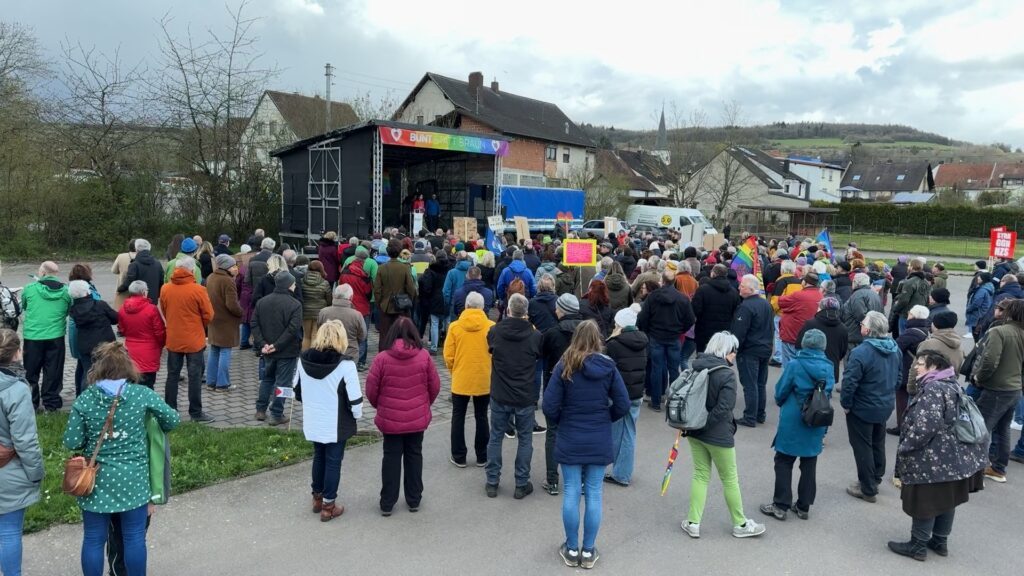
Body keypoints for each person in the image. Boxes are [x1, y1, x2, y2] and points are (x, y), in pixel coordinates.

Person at [62, 342, 180, 576]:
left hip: (96, 481)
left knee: (94, 539)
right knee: (135, 539)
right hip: (133, 479)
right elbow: (173, 420)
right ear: (128, 366)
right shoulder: (141, 394)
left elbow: (71, 441)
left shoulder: (86, 399)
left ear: (98, 368)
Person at [543, 320, 629, 569]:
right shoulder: (609, 367)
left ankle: (571, 548)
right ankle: (588, 551)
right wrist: (605, 418)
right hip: (598, 436)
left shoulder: (565, 365)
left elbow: (549, 406)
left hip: (570, 435)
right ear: (598, 340)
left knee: (571, 491)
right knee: (594, 493)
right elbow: (622, 405)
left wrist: (563, 420)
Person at [888, 351, 988, 561]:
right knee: (946, 499)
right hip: (954, 458)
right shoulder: (952, 385)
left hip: (934, 459)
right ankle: (940, 541)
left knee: (927, 500)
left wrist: (906, 445)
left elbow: (926, 426)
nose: (916, 367)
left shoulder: (933, 389)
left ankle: (917, 545)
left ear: (934, 367)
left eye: (921, 364)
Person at [680, 331, 766, 540]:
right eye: (734, 351)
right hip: (718, 435)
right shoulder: (726, 374)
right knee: (730, 479)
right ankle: (740, 523)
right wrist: (706, 424)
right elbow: (725, 408)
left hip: (693, 431)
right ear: (726, 351)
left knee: (700, 474)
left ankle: (693, 522)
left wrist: (697, 426)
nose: (735, 355)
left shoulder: (695, 367)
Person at [366, 317, 440, 516]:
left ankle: (387, 502)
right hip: (417, 417)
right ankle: (414, 499)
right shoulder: (424, 356)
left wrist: (381, 407)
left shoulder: (381, 358)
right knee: (414, 455)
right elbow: (435, 387)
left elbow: (371, 390)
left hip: (390, 419)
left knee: (390, 457)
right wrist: (423, 405)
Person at [759, 329, 835, 521]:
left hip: (794, 418)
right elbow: (829, 390)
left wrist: (781, 400)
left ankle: (780, 505)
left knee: (784, 461)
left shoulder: (795, 365)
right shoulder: (829, 366)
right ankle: (803, 506)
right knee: (809, 462)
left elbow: (781, 391)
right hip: (817, 417)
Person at [294, 321, 362, 522]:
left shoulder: (303, 360)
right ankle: (328, 506)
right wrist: (356, 416)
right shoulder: (346, 366)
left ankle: (317, 497)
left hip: (314, 420)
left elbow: (297, 392)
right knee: (333, 462)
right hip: (336, 423)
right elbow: (355, 400)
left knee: (319, 456)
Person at [485, 294, 543, 498]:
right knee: (525, 438)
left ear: (508, 310)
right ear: (526, 313)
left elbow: (490, 349)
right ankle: (521, 482)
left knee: (496, 436)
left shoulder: (494, 331)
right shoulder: (535, 336)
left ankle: (492, 481)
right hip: (524, 395)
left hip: (500, 393)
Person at [842, 310, 900, 503]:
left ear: (868, 330)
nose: (861, 327)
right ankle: (875, 478)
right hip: (884, 404)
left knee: (862, 447)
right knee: (877, 442)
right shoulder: (895, 349)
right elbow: (899, 377)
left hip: (863, 407)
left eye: (863, 324)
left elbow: (850, 382)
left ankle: (867, 488)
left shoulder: (861, 352)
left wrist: (846, 404)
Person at [0, 329, 43, 576]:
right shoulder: (16, 389)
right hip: (10, 471)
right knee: (8, 532)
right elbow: (25, 440)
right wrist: (35, 473)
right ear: (17, 353)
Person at [970, 298, 1024, 483]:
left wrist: (979, 378)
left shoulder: (999, 332)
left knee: (981, 428)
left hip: (996, 388)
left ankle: (975, 470)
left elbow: (989, 360)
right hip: (1014, 388)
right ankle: (998, 468)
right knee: (1002, 429)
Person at [160, 257, 215, 423]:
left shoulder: (165, 288)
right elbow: (209, 315)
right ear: (192, 271)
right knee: (195, 376)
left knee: (172, 375)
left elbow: (164, 309)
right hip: (194, 339)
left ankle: (170, 409)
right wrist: (198, 325)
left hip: (174, 338)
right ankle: (196, 413)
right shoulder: (198, 290)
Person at [444, 292, 495, 468]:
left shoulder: (454, 327)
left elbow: (448, 355)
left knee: (458, 416)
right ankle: (482, 456)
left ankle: (459, 456)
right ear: (483, 307)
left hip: (461, 378)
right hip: (484, 378)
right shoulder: (491, 326)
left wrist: (455, 370)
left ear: (466, 306)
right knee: (482, 416)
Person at [637, 265, 696, 412]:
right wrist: (680, 329)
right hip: (674, 337)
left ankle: (656, 402)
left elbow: (643, 317)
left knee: (656, 369)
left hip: (656, 336)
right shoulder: (682, 298)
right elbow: (690, 319)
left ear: (662, 281)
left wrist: (648, 331)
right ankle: (673, 401)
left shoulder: (652, 297)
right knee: (673, 369)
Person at [252, 271, 303, 426]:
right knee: (283, 382)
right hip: (286, 351)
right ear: (288, 285)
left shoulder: (262, 302)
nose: (295, 285)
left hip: (267, 350)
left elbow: (254, 323)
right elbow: (293, 329)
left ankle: (260, 410)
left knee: (267, 379)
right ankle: (277, 413)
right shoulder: (295, 304)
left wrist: (263, 344)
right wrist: (276, 345)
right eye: (293, 283)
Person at [604, 306, 648, 486]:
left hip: (619, 394)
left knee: (615, 432)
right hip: (636, 393)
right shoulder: (643, 341)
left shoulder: (614, 344)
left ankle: (617, 471)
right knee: (629, 433)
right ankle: (622, 472)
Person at [20, 261, 72, 411]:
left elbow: (24, 305)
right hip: (56, 337)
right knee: (53, 372)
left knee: (31, 371)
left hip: (33, 337)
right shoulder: (66, 291)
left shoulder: (29, 289)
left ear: (42, 273)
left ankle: (31, 403)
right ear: (56, 274)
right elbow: (68, 310)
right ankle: (51, 404)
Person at [731, 274, 775, 427]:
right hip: (765, 348)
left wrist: (733, 350)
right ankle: (759, 414)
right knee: (760, 383)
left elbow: (739, 332)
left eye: (742, 286)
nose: (739, 288)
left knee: (750, 384)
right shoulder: (766, 305)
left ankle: (750, 416)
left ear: (750, 289)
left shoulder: (746, 307)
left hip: (750, 350)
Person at [68, 280, 118, 396]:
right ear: (87, 291)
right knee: (108, 371)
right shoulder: (100, 305)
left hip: (85, 345)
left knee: (88, 372)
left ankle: (86, 398)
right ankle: (108, 396)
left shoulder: (74, 310)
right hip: (105, 345)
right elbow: (115, 318)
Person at [890, 305, 931, 435]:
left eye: (910, 314)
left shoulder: (911, 332)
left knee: (902, 398)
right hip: (919, 369)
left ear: (913, 316)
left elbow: (895, 348)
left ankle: (902, 426)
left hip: (907, 369)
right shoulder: (925, 330)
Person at [118, 281, 165, 389]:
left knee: (132, 386)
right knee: (148, 386)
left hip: (131, 351)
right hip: (149, 352)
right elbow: (159, 332)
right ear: (144, 292)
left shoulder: (122, 309)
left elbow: (122, 329)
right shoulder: (151, 309)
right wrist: (161, 344)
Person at [206, 255, 243, 392]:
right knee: (225, 351)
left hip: (213, 320)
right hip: (226, 321)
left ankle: (210, 382)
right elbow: (232, 304)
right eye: (233, 266)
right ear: (226, 267)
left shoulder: (210, 277)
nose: (236, 268)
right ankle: (222, 384)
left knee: (214, 350)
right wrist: (241, 312)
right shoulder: (227, 281)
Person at [373, 239, 418, 346]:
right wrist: (409, 301)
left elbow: (377, 289)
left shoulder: (381, 268)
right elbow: (411, 288)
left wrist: (380, 304)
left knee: (385, 336)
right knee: (403, 335)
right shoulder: (405, 267)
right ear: (399, 251)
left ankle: (384, 358)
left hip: (386, 307)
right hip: (402, 307)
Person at [796, 296, 849, 384]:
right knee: (825, 395)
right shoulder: (843, 328)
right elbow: (843, 351)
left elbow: (798, 345)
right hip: (831, 369)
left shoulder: (810, 324)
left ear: (821, 308)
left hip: (809, 368)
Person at [337, 246, 374, 369]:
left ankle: (344, 358)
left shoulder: (344, 272)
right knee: (362, 335)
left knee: (346, 333)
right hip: (362, 308)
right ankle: (360, 362)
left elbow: (340, 286)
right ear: (363, 261)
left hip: (346, 307)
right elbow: (368, 293)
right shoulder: (364, 276)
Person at [692, 264, 741, 353]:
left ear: (713, 274)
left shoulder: (703, 290)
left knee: (702, 358)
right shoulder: (734, 292)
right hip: (724, 332)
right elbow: (736, 312)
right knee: (720, 358)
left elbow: (695, 310)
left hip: (704, 331)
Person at [778, 272, 822, 367]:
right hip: (810, 337)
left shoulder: (798, 295)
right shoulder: (821, 296)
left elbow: (781, 302)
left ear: (804, 282)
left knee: (789, 366)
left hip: (792, 335)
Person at [317, 284, 367, 359]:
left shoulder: (323, 312)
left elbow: (319, 330)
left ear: (334, 295)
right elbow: (362, 336)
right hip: (349, 353)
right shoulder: (357, 315)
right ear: (351, 297)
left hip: (326, 353)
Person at [842, 273, 883, 354]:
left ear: (855, 282)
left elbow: (860, 315)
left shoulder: (858, 295)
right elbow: (881, 314)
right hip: (870, 335)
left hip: (856, 337)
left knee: (853, 362)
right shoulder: (875, 295)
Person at [117, 239, 162, 305]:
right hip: (153, 299)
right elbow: (161, 282)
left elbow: (129, 281)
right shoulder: (158, 263)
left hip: (138, 300)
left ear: (136, 249)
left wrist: (120, 289)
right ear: (149, 248)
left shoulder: (134, 265)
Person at [891, 259, 930, 334]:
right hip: (920, 316)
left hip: (907, 315)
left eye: (909, 265)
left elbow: (904, 300)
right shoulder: (926, 282)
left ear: (911, 267)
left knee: (904, 336)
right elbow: (927, 300)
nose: (908, 267)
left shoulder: (909, 282)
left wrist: (896, 309)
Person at [301, 260, 333, 350]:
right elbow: (329, 299)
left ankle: (304, 356)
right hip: (319, 312)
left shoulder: (301, 281)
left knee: (306, 336)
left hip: (305, 312)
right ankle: (312, 356)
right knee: (316, 335)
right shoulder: (325, 283)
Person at [965, 273, 994, 338]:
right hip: (983, 314)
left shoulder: (982, 290)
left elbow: (976, 303)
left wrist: (969, 309)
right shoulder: (989, 287)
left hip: (977, 315)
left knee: (977, 337)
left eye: (980, 277)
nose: (978, 278)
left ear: (984, 279)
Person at [110, 240, 137, 310]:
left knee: (122, 310)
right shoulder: (142, 257)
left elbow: (114, 270)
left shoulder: (121, 256)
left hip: (122, 288)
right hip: (138, 289)